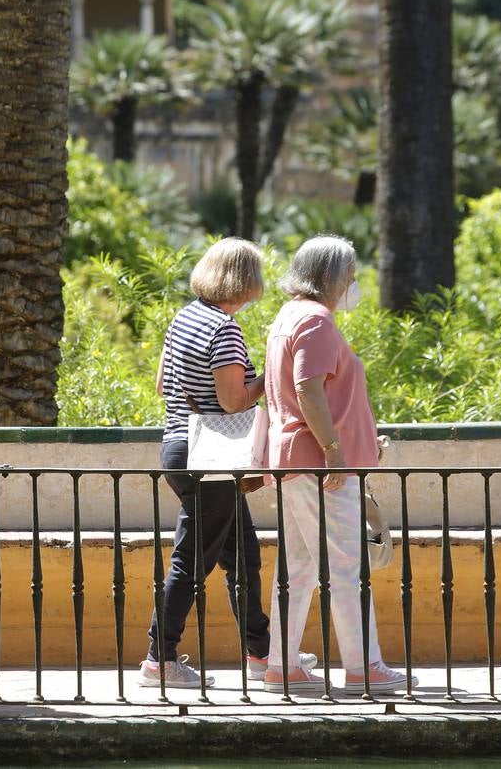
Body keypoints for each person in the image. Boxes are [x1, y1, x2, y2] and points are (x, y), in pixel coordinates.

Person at [140, 238, 314, 688]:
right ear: (244, 280)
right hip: (211, 457)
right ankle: (160, 659)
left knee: (243, 554)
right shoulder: (224, 328)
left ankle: (262, 653)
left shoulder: (184, 317)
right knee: (191, 560)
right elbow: (233, 400)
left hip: (179, 448)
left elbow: (163, 385)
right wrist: (272, 379)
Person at [262, 235, 411, 695]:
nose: (353, 283)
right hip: (321, 467)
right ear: (329, 276)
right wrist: (335, 453)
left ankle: (282, 665)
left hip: (296, 462)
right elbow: (308, 390)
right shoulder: (317, 320)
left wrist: (354, 439)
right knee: (347, 564)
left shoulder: (290, 317)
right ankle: (364, 665)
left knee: (299, 566)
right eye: (349, 275)